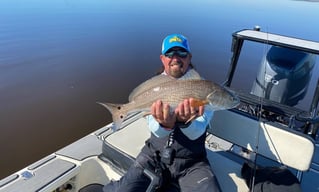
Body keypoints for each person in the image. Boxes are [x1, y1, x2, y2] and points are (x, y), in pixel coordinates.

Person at [103, 34, 221, 192]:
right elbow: (155, 130)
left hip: (192, 161)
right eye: (170, 53)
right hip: (155, 155)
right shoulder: (154, 88)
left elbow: (196, 132)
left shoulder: (205, 87)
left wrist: (184, 123)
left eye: (182, 53)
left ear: (189, 57)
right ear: (162, 58)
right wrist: (165, 125)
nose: (176, 58)